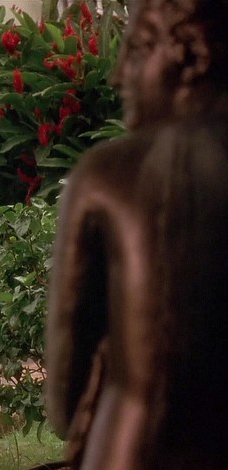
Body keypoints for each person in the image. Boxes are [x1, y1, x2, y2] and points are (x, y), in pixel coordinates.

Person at [45, 0, 228, 468]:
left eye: (141, 49)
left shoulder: (107, 177)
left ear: (194, 57)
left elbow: (65, 401)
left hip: (128, 450)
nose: (118, 75)